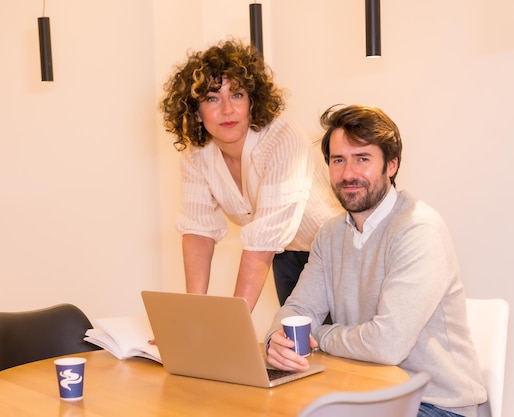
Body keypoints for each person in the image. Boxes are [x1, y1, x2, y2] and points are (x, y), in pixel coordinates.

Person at [265, 104, 487, 417]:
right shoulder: (329, 234)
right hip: (364, 393)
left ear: (391, 165)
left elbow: (387, 345)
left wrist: (320, 336)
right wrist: (276, 339)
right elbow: (298, 310)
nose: (348, 174)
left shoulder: (418, 229)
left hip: (437, 404)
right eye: (339, 160)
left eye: (363, 159)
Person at [159, 39, 341, 311]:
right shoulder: (197, 155)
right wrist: (192, 316)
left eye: (237, 95)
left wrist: (231, 324)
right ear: (195, 112)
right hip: (287, 255)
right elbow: (198, 231)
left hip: (339, 255)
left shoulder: (282, 139)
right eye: (212, 98)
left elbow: (262, 243)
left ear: (252, 101)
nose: (227, 110)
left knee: (335, 348)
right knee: (296, 348)